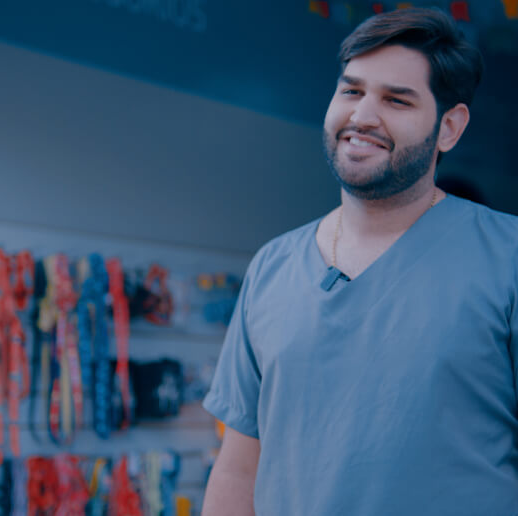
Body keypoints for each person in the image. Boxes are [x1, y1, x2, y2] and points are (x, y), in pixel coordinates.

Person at [201, 7, 518, 516]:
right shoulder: (272, 267)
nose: (363, 116)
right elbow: (239, 470)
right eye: (351, 91)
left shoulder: (506, 258)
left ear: (449, 127)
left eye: (397, 99)